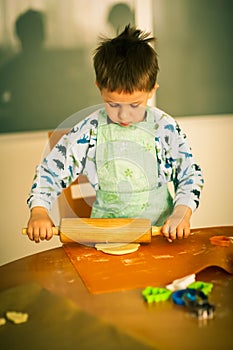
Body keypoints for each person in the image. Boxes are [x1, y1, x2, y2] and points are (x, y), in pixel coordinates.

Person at [26, 25, 204, 243]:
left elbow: (189, 175)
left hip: (159, 237)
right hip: (105, 239)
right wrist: (39, 211)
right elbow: (50, 171)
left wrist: (181, 213)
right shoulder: (89, 130)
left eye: (135, 105)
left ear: (151, 91)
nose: (124, 115)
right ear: (99, 88)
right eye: (113, 104)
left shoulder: (164, 128)